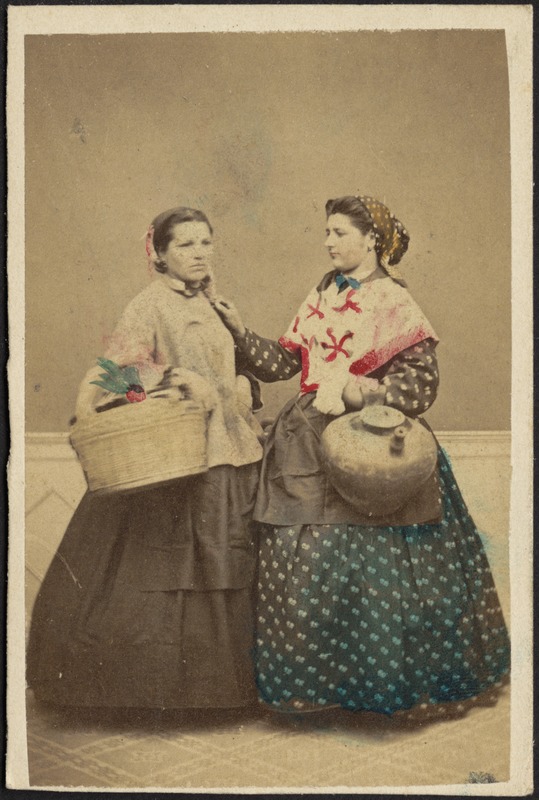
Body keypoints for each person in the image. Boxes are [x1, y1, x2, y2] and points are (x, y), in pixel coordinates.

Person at [214, 194, 510, 716]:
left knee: (381, 567)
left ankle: (384, 689)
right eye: (326, 233)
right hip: (305, 438)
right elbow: (286, 362)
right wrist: (239, 330)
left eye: (338, 233)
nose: (328, 243)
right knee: (300, 556)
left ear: (371, 238)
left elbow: (419, 386)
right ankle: (315, 690)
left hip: (374, 445)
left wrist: (354, 391)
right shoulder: (324, 291)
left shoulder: (395, 301)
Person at [27, 207, 264, 710]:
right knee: (168, 571)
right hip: (179, 460)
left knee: (230, 563)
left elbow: (233, 368)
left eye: (205, 242)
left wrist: (244, 383)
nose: (199, 253)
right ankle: (167, 695)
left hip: (232, 452)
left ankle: (230, 691)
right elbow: (117, 379)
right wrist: (175, 377)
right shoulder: (148, 306)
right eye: (185, 245)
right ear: (159, 253)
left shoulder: (217, 304)